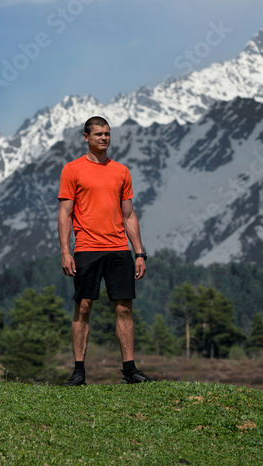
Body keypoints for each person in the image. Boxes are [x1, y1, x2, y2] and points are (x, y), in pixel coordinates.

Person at [58, 116, 157, 386]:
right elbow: (64, 213)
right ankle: (79, 371)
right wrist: (65, 252)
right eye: (98, 134)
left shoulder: (121, 171)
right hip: (87, 249)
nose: (104, 138)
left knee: (124, 309)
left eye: (107, 134)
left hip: (118, 250)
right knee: (84, 307)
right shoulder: (72, 170)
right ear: (86, 137)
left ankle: (130, 370)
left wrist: (139, 253)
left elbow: (129, 215)